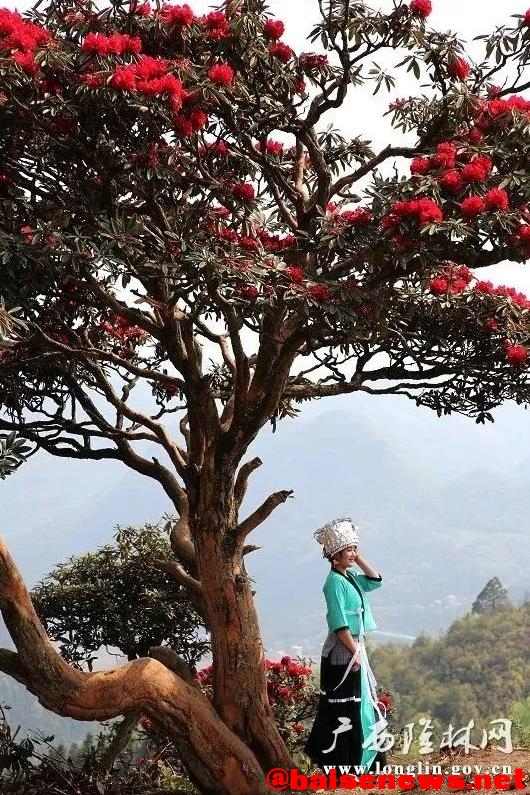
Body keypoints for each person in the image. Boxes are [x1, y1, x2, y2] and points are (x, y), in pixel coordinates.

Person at [304, 517, 387, 773]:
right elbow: (339, 623)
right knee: (345, 704)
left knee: (360, 702)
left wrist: (358, 558)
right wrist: (354, 653)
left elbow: (375, 581)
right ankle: (344, 765)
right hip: (343, 649)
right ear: (334, 555)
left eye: (354, 548)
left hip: (354, 646)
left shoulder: (349, 576)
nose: (353, 553)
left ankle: (364, 762)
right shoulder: (333, 583)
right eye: (349, 549)